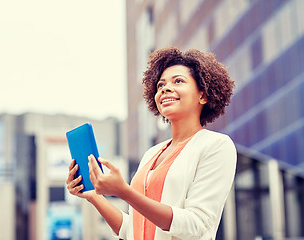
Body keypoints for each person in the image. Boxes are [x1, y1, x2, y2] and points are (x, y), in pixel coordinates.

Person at [66, 47, 237, 240]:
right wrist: (93, 196)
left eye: (178, 81)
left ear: (203, 95)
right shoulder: (151, 154)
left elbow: (195, 224)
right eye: (160, 85)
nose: (164, 88)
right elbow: (133, 229)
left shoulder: (216, 146)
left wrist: (125, 192)